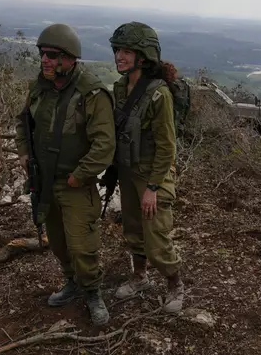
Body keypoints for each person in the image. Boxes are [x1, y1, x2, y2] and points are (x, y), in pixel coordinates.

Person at [14, 23, 116, 326]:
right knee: (58, 242)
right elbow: (23, 124)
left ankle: (93, 292)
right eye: (42, 54)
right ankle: (71, 283)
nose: (45, 60)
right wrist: (23, 154)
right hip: (45, 181)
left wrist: (79, 175)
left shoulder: (91, 93)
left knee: (83, 245)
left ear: (70, 58)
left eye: (52, 55)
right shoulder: (39, 88)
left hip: (75, 184)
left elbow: (104, 145)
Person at [105, 21, 184, 313]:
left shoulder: (158, 94)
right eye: (117, 51)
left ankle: (175, 284)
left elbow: (167, 146)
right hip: (128, 171)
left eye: (127, 51)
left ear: (143, 55)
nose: (119, 57)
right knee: (134, 229)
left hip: (154, 174)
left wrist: (152, 188)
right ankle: (140, 277)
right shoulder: (120, 88)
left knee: (156, 235)